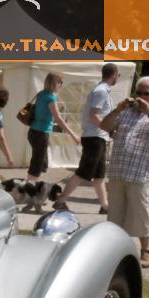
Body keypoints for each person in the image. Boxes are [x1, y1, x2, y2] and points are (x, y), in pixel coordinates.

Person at [100, 75, 149, 269]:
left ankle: (145, 250)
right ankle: (113, 250)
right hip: (118, 169)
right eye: (138, 92)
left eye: (146, 93)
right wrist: (117, 109)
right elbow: (104, 126)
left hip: (141, 172)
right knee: (115, 213)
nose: (141, 97)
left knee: (140, 212)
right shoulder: (125, 111)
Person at [53, 63, 120, 213]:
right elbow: (93, 114)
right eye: (118, 75)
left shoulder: (102, 90)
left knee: (99, 175)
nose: (118, 77)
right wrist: (108, 128)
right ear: (114, 74)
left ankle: (105, 206)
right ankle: (60, 200)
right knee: (83, 172)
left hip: (98, 137)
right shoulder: (101, 91)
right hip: (94, 137)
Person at [26, 72, 80, 183]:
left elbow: (44, 112)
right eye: (60, 82)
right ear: (54, 83)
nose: (61, 85)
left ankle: (31, 182)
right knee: (37, 162)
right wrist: (73, 135)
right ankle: (29, 185)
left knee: (41, 162)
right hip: (41, 133)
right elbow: (58, 119)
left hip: (33, 132)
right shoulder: (50, 98)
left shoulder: (41, 94)